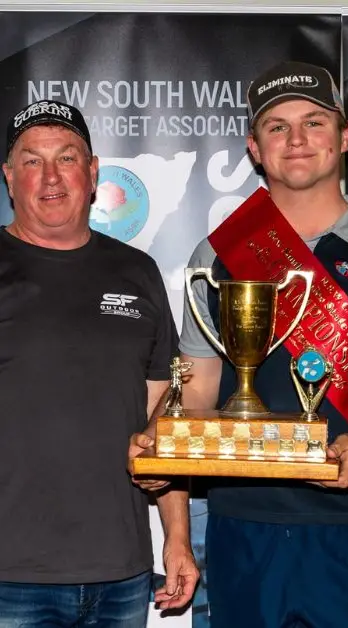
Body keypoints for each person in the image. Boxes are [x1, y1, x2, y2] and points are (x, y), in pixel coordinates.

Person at [161, 61, 348, 627]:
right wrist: (161, 441)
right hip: (242, 529)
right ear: (255, 148)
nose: (296, 139)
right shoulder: (217, 256)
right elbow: (196, 391)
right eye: (277, 127)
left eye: (314, 122)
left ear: (344, 135)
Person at [0, 100, 197, 626]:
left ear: (92, 173)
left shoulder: (138, 272)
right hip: (11, 581)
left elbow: (164, 418)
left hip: (122, 576)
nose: (50, 177)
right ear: (9, 177)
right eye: (32, 160)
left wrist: (177, 538)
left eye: (66, 158)